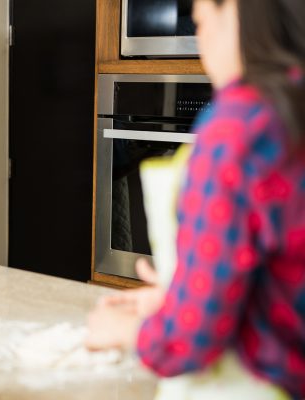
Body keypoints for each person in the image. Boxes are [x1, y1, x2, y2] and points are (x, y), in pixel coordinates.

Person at [86, 0, 305, 398]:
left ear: (235, 12)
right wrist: (184, 291)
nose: (201, 45)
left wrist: (128, 330)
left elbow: (191, 342)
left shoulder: (237, 129)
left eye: (202, 22)